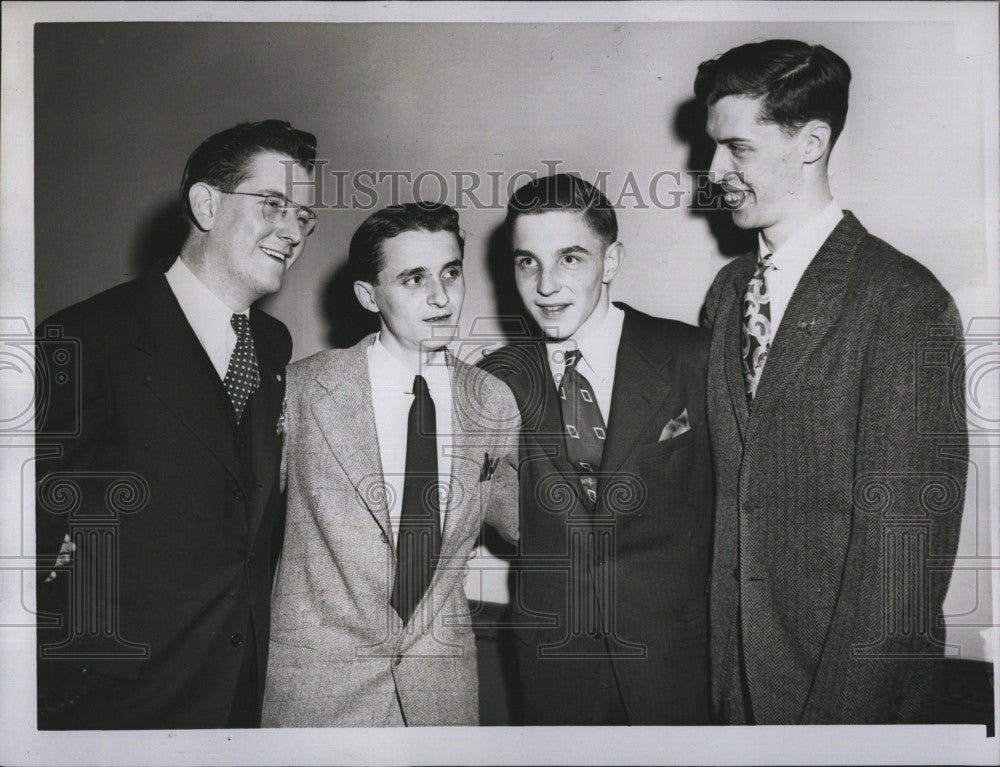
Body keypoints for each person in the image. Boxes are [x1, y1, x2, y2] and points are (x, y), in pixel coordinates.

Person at [696, 39, 968, 724]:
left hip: (844, 704)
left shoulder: (903, 300)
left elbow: (900, 565)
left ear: (811, 141)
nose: (714, 170)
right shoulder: (726, 295)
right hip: (733, 696)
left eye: (738, 149)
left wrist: (835, 735)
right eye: (713, 147)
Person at [34, 120, 317, 729]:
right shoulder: (86, 338)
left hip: (242, 699)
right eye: (273, 204)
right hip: (120, 704)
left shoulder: (272, 345)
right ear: (206, 204)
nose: (293, 231)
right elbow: (25, 540)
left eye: (304, 216)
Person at [262, 202, 520, 727]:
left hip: (439, 696)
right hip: (317, 689)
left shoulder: (493, 400)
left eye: (450, 273)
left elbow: (528, 521)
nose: (441, 297)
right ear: (367, 295)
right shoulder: (302, 390)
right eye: (413, 279)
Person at [479, 173, 714, 725]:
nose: (545, 286)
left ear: (610, 263)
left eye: (570, 259)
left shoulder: (692, 357)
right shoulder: (494, 383)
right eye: (527, 262)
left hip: (677, 664)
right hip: (553, 667)